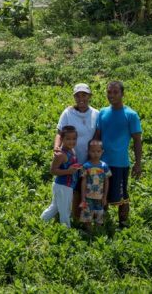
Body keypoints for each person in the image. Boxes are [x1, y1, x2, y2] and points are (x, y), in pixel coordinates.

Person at [95, 81, 142, 228]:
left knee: (122, 195)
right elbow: (97, 136)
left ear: (122, 94)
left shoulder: (131, 115)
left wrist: (138, 163)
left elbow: (137, 140)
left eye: (115, 92)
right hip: (102, 163)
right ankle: (101, 222)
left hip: (120, 163)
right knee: (101, 193)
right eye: (109, 92)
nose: (112, 95)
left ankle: (123, 223)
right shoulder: (102, 112)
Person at [54, 83, 99, 219]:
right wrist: (56, 147)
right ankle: (68, 215)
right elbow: (59, 132)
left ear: (89, 96)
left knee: (84, 187)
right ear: (74, 97)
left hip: (88, 159)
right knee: (70, 188)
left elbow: (98, 135)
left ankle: (83, 217)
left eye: (84, 95)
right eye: (78, 96)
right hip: (70, 159)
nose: (81, 99)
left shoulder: (96, 114)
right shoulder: (68, 113)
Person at [41, 126, 82, 228]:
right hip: (63, 186)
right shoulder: (61, 154)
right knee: (65, 210)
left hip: (66, 186)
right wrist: (68, 171)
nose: (71, 141)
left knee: (55, 207)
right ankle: (66, 229)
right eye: (68, 139)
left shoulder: (72, 151)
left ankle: (41, 221)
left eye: (74, 139)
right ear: (62, 139)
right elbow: (53, 170)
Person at [80, 140, 111, 232]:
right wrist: (82, 198)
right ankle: (88, 231)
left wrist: (105, 197)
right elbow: (83, 181)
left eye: (98, 151)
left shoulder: (104, 166)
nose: (95, 154)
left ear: (102, 152)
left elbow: (107, 182)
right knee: (87, 213)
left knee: (100, 213)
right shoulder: (86, 166)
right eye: (93, 151)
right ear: (89, 152)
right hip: (87, 196)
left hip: (100, 196)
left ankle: (98, 231)